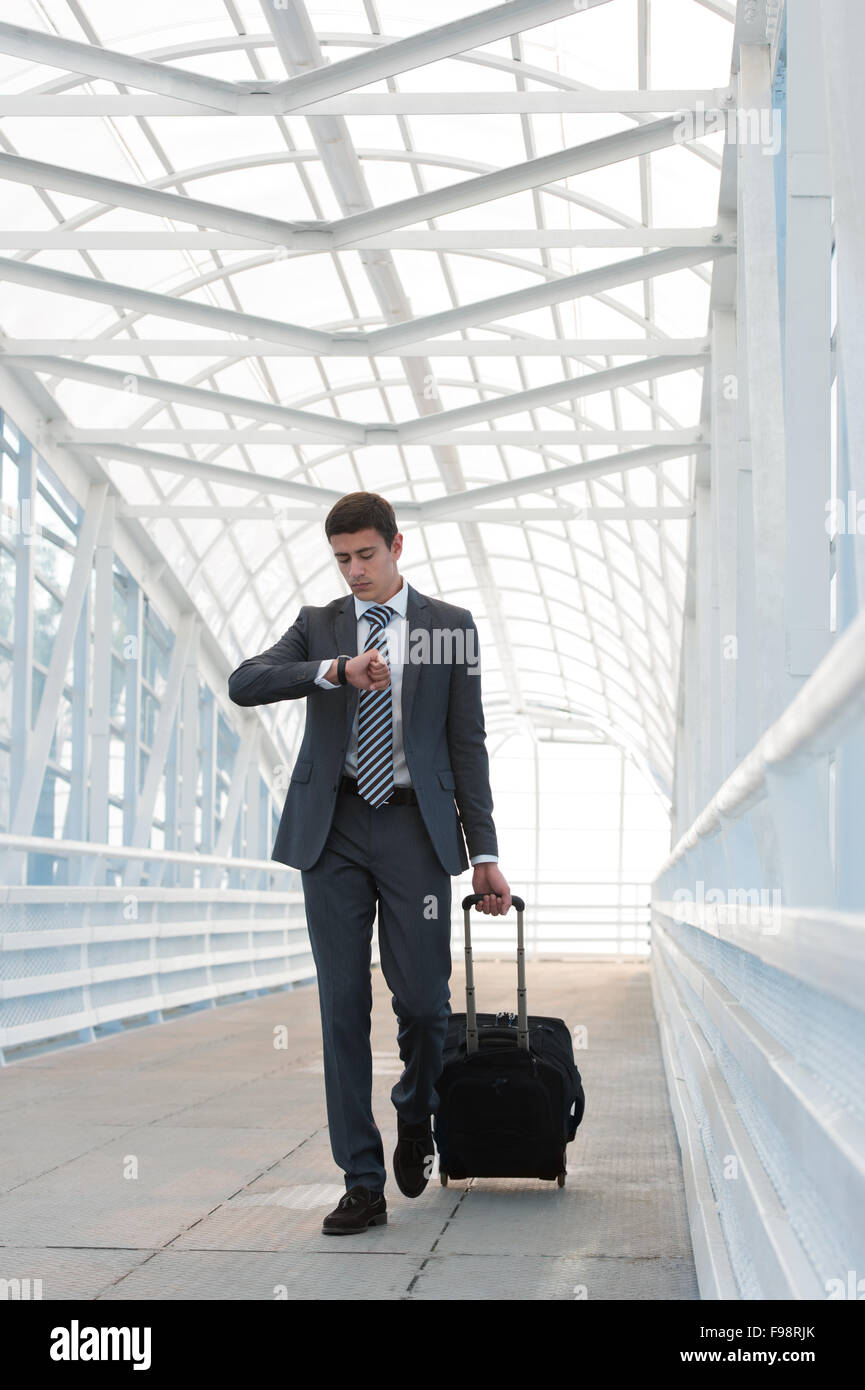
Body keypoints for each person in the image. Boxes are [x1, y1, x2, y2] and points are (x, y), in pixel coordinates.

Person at [228, 491, 510, 1234]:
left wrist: (483, 851)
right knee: (341, 1006)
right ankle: (361, 1179)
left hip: (417, 828)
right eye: (341, 558)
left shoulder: (449, 629)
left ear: (397, 546)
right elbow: (244, 682)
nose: (354, 570)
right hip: (336, 828)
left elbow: (466, 742)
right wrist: (334, 670)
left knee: (423, 1004)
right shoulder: (318, 626)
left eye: (365, 555)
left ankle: (415, 1112)